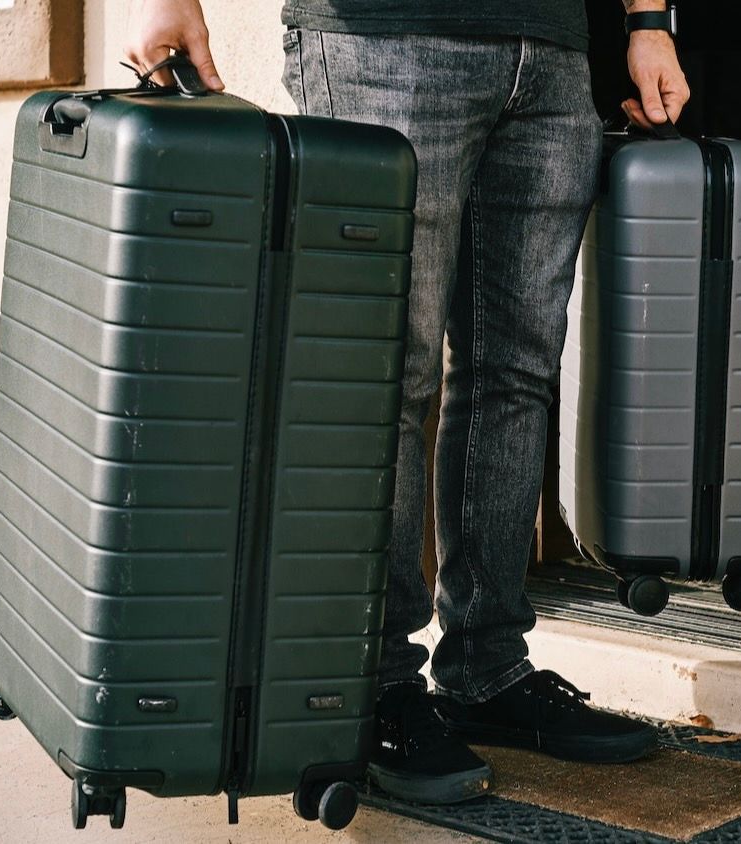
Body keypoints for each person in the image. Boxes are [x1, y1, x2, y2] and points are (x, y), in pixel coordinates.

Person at [126, 0, 690, 805]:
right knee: (385, 379)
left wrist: (648, 20)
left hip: (552, 52)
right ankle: (370, 690)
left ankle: (486, 669)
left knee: (517, 376)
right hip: (380, 41)